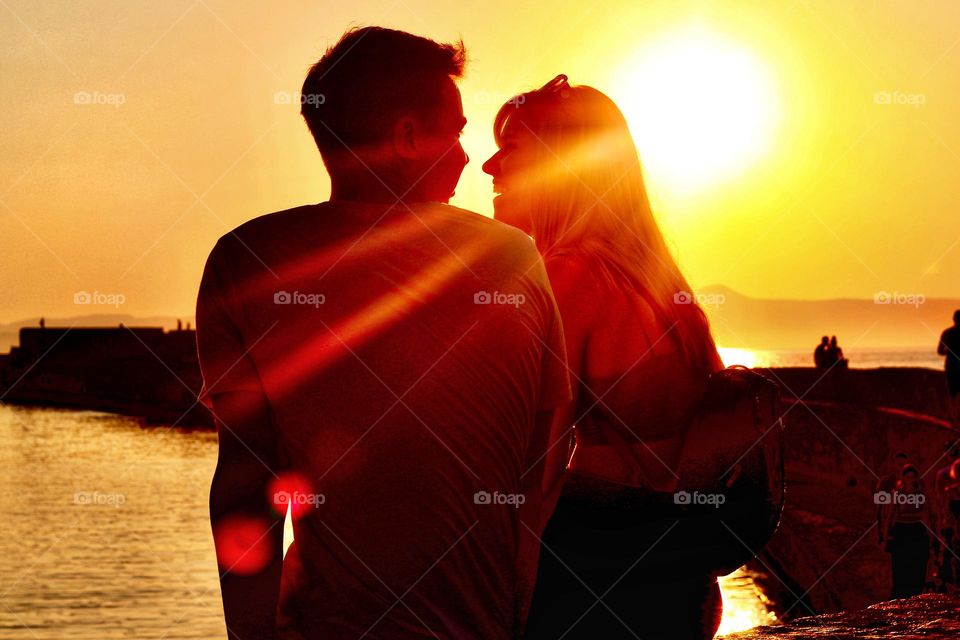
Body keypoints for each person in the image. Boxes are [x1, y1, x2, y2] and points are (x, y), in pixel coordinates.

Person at [196, 27, 572, 640]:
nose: (467, 156)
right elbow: (544, 455)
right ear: (407, 136)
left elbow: (246, 480)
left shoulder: (247, 261)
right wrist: (513, 606)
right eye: (455, 133)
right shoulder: (513, 259)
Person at [482, 75, 725, 639]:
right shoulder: (655, 282)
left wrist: (507, 605)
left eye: (510, 151)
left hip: (598, 581)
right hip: (673, 579)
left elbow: (532, 470)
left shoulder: (570, 275)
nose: (490, 168)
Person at [880, 464, 935, 599]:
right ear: (903, 478)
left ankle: (915, 594)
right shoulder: (897, 494)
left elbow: (927, 515)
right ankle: (900, 596)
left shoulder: (921, 494)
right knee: (901, 566)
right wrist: (887, 535)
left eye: (913, 476)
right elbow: (891, 515)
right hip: (901, 531)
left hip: (917, 530)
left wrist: (932, 535)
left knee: (918, 564)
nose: (911, 479)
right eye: (908, 476)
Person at [875, 451, 910, 545]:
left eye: (904, 464)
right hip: (891, 528)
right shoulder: (885, 482)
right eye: (899, 464)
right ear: (893, 464)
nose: (901, 467)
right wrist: (880, 534)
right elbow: (879, 509)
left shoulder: (912, 482)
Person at [938, 311, 960, 426]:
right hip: (954, 367)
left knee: (952, 394)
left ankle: (953, 418)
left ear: (954, 319)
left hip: (951, 367)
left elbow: (940, 351)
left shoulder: (947, 333)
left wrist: (949, 352)